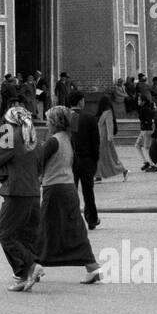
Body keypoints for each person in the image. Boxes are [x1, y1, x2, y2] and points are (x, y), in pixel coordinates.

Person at [35, 107, 107, 284]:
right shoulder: (68, 138)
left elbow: (38, 161)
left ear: (54, 122)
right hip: (68, 187)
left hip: (54, 188)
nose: (46, 123)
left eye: (48, 120)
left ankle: (33, 266)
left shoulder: (53, 141)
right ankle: (92, 266)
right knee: (74, 229)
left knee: (43, 227)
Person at [0, 106, 45, 292]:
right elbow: (40, 165)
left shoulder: (10, 134)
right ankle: (23, 276)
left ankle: (30, 267)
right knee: (25, 235)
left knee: (4, 233)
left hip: (16, 191)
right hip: (34, 192)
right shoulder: (34, 136)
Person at [69, 91, 101, 229]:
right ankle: (92, 219)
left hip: (70, 160)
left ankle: (72, 220)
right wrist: (95, 159)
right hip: (87, 159)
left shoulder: (64, 118)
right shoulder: (89, 118)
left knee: (71, 191)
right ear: (81, 101)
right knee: (88, 192)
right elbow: (96, 142)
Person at [94, 95, 127, 182]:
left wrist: (109, 138)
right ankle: (98, 176)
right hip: (101, 138)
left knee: (107, 158)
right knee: (104, 158)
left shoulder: (108, 112)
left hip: (105, 139)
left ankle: (122, 170)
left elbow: (110, 125)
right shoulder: (104, 112)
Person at [134, 100, 157, 172]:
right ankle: (146, 162)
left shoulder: (145, 109)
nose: (138, 101)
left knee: (147, 148)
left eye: (139, 100)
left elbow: (148, 119)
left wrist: (146, 122)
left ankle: (153, 164)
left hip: (146, 130)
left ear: (143, 101)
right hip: (143, 130)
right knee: (137, 145)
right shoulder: (143, 109)